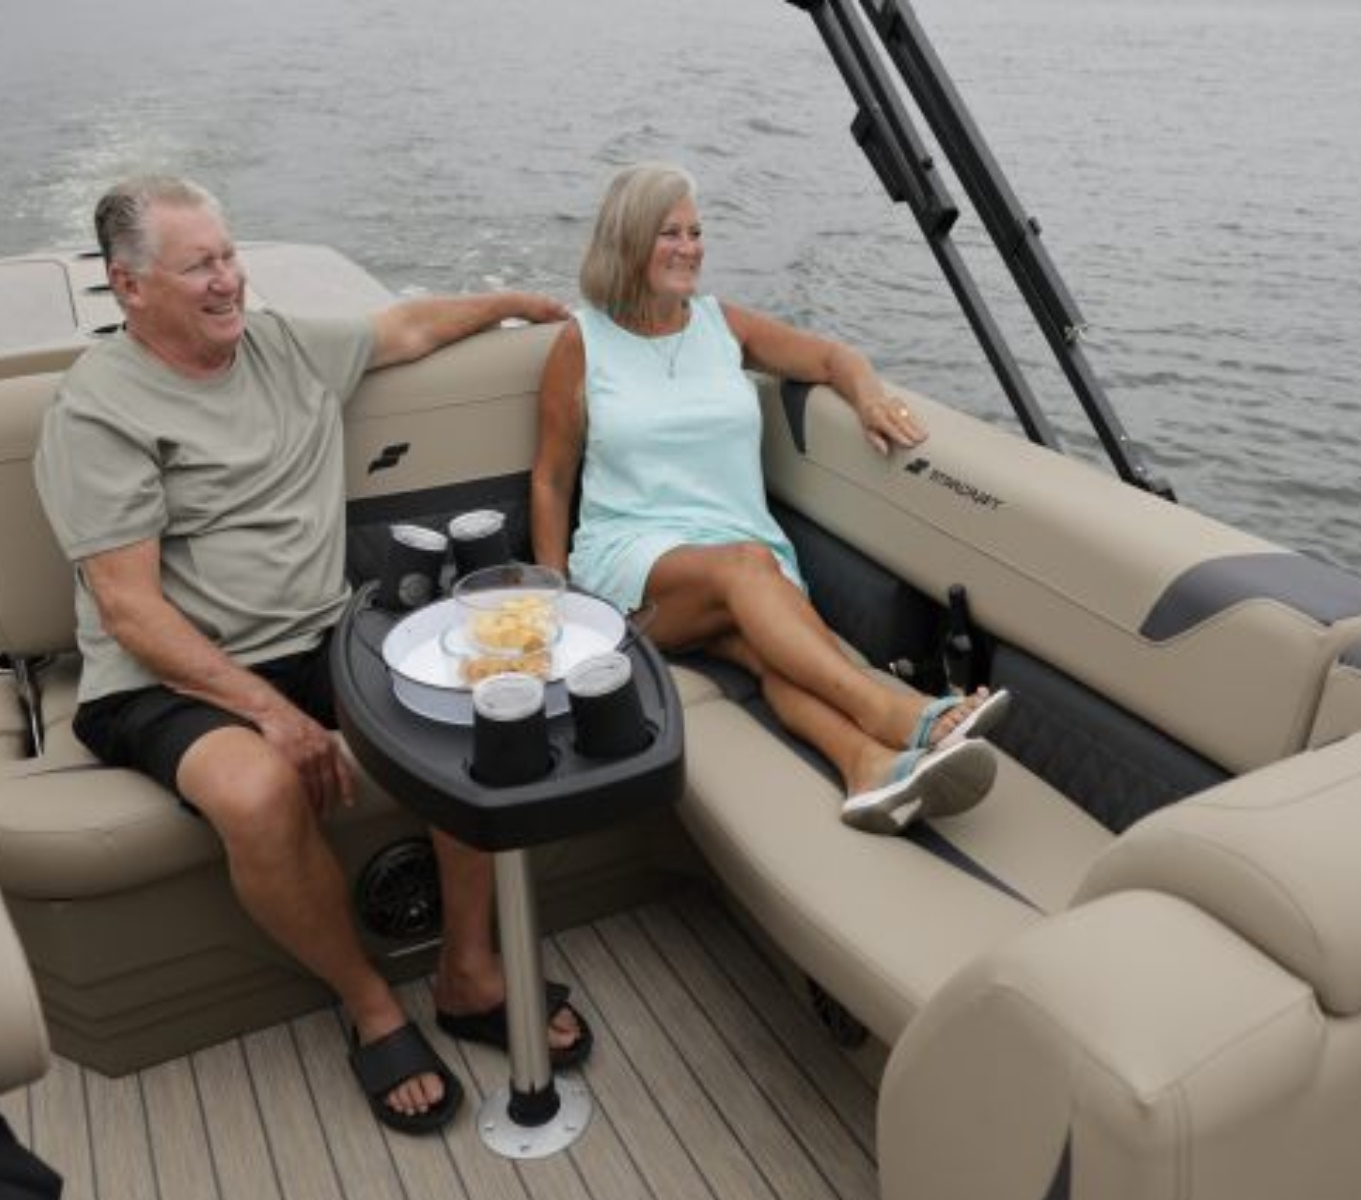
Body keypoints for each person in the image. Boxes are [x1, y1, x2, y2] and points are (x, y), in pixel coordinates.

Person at [32, 175, 589, 1136]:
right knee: (257, 793)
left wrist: (517, 304)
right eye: (198, 266)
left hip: (321, 631)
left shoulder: (282, 347)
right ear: (129, 287)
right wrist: (273, 716)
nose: (227, 281)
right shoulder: (99, 411)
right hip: (168, 675)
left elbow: (403, 331)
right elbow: (131, 612)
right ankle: (370, 1006)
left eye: (230, 255)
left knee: (474, 711)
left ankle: (467, 972)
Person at [533, 163, 1012, 833]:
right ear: (629, 239)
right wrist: (556, 599)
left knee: (758, 640)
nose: (690, 247)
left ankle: (867, 767)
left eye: (696, 232)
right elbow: (552, 478)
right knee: (748, 569)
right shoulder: (581, 343)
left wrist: (868, 397)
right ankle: (893, 711)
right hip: (632, 565)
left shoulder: (721, 324)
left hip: (742, 555)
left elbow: (832, 359)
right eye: (670, 233)